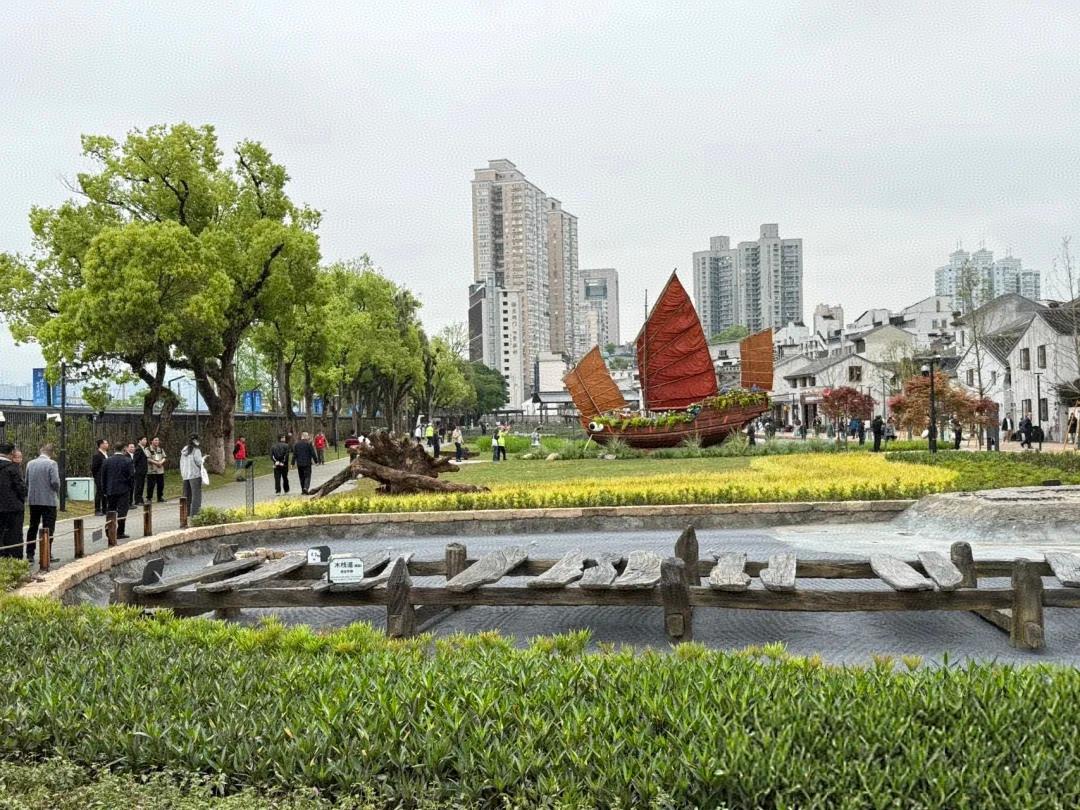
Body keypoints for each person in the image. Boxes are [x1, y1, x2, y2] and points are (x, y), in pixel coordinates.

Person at [25, 443, 60, 565]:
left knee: (33, 526)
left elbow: (27, 481)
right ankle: (46, 553)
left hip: (34, 500)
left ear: (41, 452)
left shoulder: (30, 463)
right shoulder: (52, 464)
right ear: (52, 453)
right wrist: (56, 491)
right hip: (48, 500)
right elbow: (55, 482)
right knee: (48, 527)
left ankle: (30, 554)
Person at [101, 443, 135, 539]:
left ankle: (109, 530)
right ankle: (120, 531)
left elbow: (103, 477)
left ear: (114, 449)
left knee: (110, 510)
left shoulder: (107, 461)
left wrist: (105, 490)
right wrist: (130, 487)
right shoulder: (128, 461)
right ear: (124, 449)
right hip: (124, 489)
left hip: (111, 489)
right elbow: (131, 476)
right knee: (122, 511)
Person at [0, 444, 27, 560]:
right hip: (13, 507)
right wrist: (22, 497)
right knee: (14, 535)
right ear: (11, 453)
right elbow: (20, 487)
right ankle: (15, 560)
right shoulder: (13, 468)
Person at [179, 435, 204, 517]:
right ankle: (195, 513)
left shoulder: (184, 449)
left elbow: (181, 462)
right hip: (195, 475)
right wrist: (203, 461)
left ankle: (186, 513)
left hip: (185, 474)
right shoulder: (196, 450)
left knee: (186, 494)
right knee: (196, 495)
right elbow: (199, 462)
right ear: (195, 441)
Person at [91, 438, 109, 516]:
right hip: (99, 477)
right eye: (106, 443)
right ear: (101, 445)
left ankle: (105, 509)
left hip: (106, 477)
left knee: (105, 493)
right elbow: (94, 468)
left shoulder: (106, 454)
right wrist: (96, 476)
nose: (107, 444)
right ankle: (97, 509)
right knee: (99, 493)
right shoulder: (97, 455)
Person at [145, 436, 167, 503]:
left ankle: (160, 497)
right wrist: (157, 463)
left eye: (158, 440)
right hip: (152, 471)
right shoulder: (148, 449)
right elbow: (148, 459)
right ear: (151, 441)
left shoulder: (160, 449)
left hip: (160, 471)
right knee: (151, 486)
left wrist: (161, 462)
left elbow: (164, 457)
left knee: (161, 485)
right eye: (155, 440)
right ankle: (149, 498)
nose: (157, 441)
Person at [131, 436, 149, 505]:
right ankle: (137, 500)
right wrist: (136, 469)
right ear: (139, 441)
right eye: (144, 439)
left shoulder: (143, 449)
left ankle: (140, 499)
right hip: (139, 471)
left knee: (141, 486)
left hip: (143, 471)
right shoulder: (138, 449)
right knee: (138, 486)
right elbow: (135, 460)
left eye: (146, 439)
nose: (145, 441)